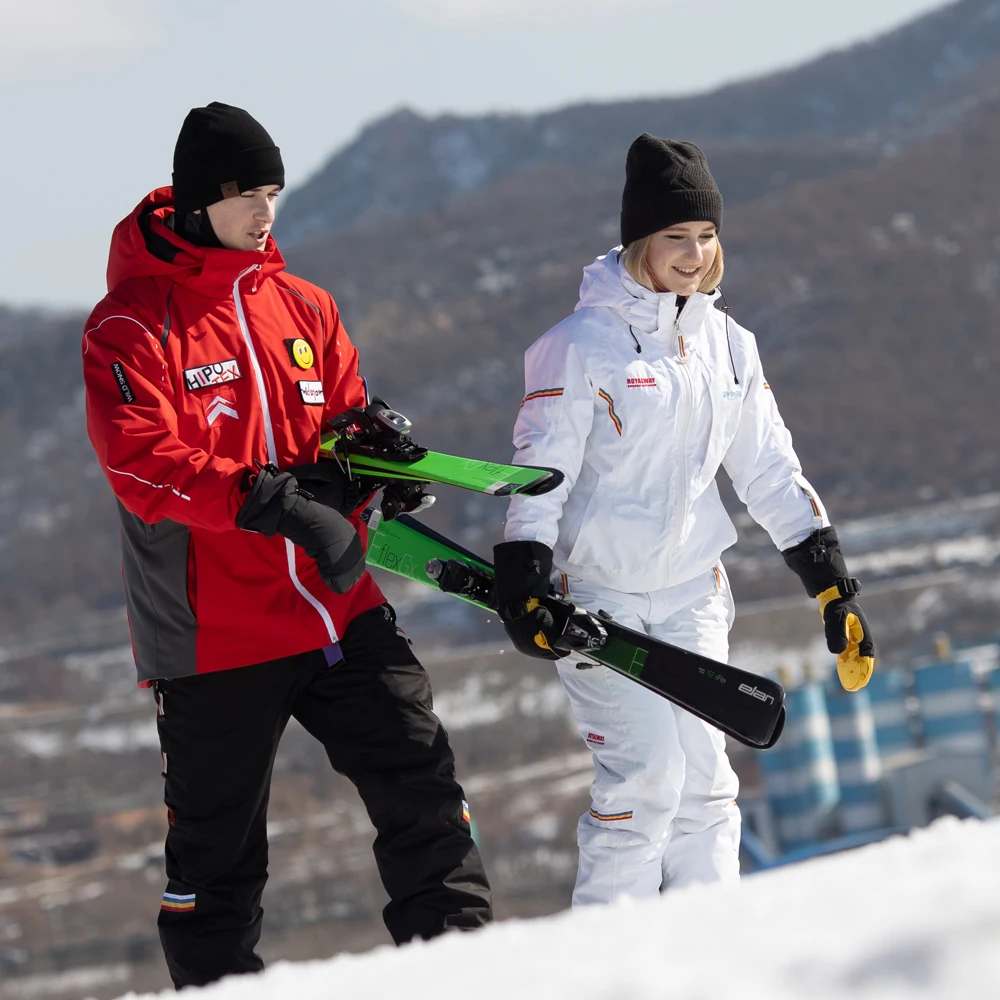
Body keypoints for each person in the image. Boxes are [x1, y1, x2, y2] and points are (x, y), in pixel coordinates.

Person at [81, 102, 492, 989]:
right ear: (198, 201)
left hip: (337, 602)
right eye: (244, 195)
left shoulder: (303, 305)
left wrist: (379, 465)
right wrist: (269, 499)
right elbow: (141, 464)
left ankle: (465, 972)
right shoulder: (130, 325)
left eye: (272, 192)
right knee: (218, 863)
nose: (264, 212)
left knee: (422, 788)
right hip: (214, 634)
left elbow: (343, 419)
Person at [493, 134, 875, 905]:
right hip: (597, 603)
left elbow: (768, 466)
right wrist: (525, 571)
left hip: (692, 594)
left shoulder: (729, 346)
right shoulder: (578, 347)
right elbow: (541, 469)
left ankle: (712, 965)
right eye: (677, 237)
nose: (695, 254)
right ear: (640, 240)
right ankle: (609, 970)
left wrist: (829, 581)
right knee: (645, 787)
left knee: (707, 789)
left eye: (706, 236)